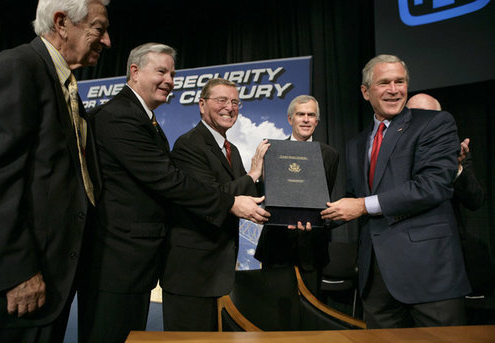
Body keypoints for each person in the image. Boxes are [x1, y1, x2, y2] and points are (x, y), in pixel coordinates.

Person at [79, 44, 269, 342]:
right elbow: (169, 181)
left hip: (136, 262)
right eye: (161, 71)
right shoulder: (119, 116)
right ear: (135, 71)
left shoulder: (146, 120)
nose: (169, 80)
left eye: (172, 73)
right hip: (118, 261)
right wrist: (231, 202)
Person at [0, 0, 111, 341]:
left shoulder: (65, 84)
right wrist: (17, 272)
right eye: (98, 28)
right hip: (19, 287)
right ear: (61, 22)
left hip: (52, 279)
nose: (107, 40)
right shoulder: (18, 67)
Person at [321, 55, 471, 328]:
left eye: (399, 82)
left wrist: (362, 206)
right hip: (376, 280)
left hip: (428, 274)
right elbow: (355, 202)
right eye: (384, 83)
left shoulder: (434, 123)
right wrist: (317, 217)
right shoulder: (356, 143)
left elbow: (433, 186)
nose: (394, 89)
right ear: (366, 92)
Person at [160, 78, 269, 331]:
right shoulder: (189, 145)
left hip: (217, 272)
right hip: (191, 274)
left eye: (235, 102)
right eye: (221, 100)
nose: (229, 107)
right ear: (201, 105)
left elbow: (246, 195)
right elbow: (212, 197)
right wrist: (252, 175)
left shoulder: (232, 150)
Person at [254, 95, 339, 297]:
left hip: (312, 246)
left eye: (311, 115)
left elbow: (326, 195)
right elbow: (261, 194)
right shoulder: (270, 150)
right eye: (301, 114)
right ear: (290, 119)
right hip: (276, 245)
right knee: (273, 311)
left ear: (317, 122)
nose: (306, 119)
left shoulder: (329, 154)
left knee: (309, 314)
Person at [407, 93, 490, 297]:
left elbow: (475, 200)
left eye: (430, 117)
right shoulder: (392, 151)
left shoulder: (454, 152)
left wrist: (457, 167)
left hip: (446, 254)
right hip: (404, 253)